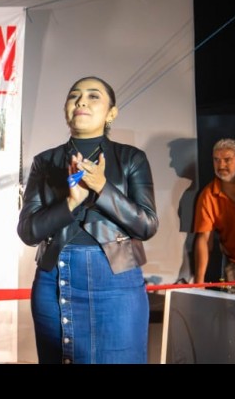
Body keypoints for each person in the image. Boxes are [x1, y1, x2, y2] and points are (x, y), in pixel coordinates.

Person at [17, 76, 158, 364]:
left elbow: (146, 225)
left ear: (111, 113)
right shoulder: (45, 161)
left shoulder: (131, 158)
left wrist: (103, 189)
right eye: (74, 96)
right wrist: (71, 202)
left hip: (116, 280)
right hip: (53, 279)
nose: (81, 101)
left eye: (94, 96)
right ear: (66, 109)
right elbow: (28, 232)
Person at [193, 138, 235, 296]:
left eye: (227, 160)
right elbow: (204, 239)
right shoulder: (208, 195)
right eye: (216, 160)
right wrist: (199, 282)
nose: (221, 165)